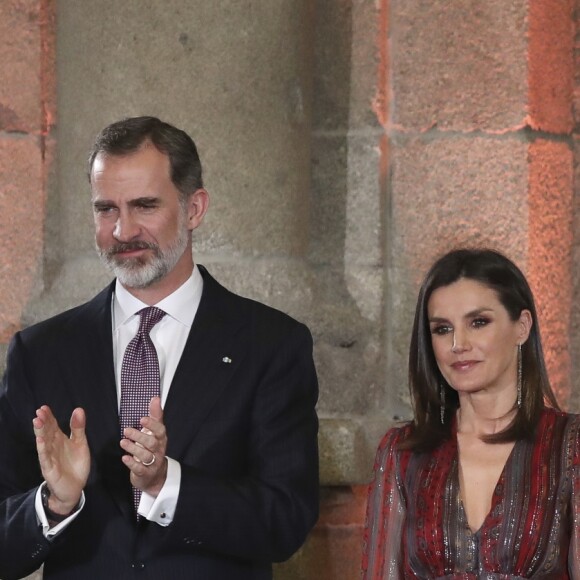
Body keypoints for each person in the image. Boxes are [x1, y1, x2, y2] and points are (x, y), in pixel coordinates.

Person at [0, 116, 319, 580]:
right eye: (106, 208)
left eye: (144, 206)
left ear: (194, 209)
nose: (123, 231)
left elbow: (285, 522)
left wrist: (167, 484)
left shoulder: (270, 344)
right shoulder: (40, 351)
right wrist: (54, 504)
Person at [362, 248, 580, 578]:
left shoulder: (569, 446)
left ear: (521, 327)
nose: (458, 344)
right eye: (442, 329)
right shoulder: (402, 452)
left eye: (478, 322)